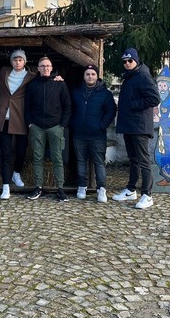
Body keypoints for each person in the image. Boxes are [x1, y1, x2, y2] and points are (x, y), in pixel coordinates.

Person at [112, 48, 161, 209]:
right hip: (129, 125)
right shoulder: (130, 77)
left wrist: (134, 105)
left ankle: (147, 194)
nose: (127, 63)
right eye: (124, 61)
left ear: (136, 61)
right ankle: (131, 189)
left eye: (130, 60)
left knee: (143, 160)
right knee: (133, 159)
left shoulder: (143, 76)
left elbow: (154, 98)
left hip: (140, 126)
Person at [25, 56, 72, 202]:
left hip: (55, 126)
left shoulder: (59, 84)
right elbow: (27, 107)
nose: (45, 68)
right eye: (42, 66)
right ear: (38, 68)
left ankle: (60, 188)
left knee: (57, 158)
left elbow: (67, 105)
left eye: (48, 66)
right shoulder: (32, 85)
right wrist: (30, 124)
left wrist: (62, 125)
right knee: (37, 157)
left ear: (51, 68)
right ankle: (38, 186)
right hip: (37, 126)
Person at [70, 64, 116, 202]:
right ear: (84, 77)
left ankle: (101, 189)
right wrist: (73, 124)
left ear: (97, 76)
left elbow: (111, 111)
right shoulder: (76, 92)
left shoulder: (105, 93)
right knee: (81, 161)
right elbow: (70, 109)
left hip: (97, 135)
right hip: (79, 134)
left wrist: (101, 126)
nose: (90, 76)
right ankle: (82, 186)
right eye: (88, 74)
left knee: (99, 163)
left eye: (93, 74)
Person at [0, 49, 36, 200]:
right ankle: (5, 187)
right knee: (5, 153)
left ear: (25, 61)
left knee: (21, 150)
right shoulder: (3, 73)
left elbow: (44, 80)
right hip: (4, 118)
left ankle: (16, 173)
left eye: (20, 60)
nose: (17, 62)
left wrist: (56, 78)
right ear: (11, 61)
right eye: (15, 60)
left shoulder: (31, 76)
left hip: (21, 117)